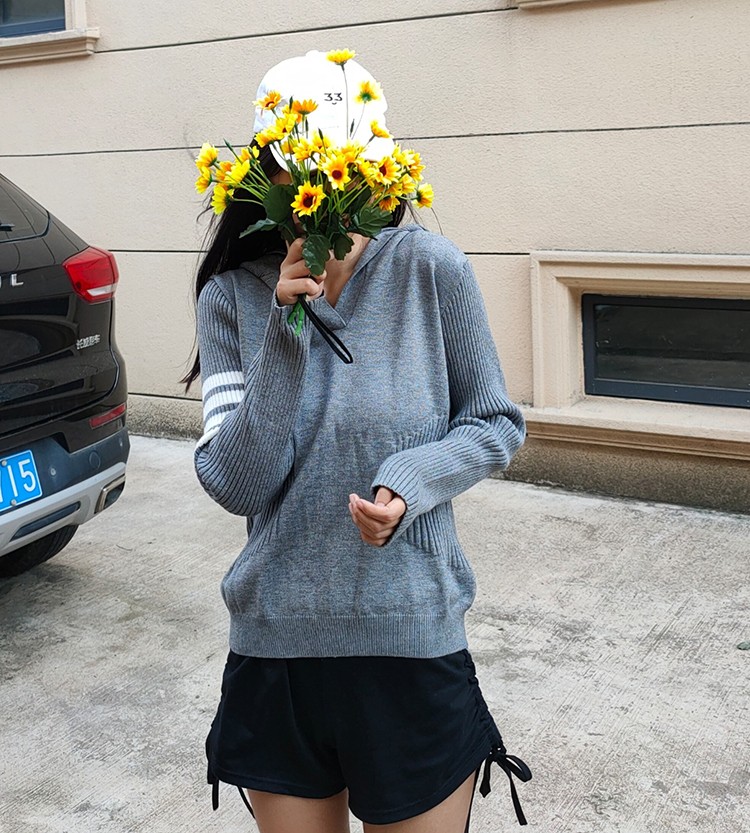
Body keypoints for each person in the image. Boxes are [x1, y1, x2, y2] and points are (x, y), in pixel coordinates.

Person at [182, 50, 531, 833]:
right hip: (277, 650)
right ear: (267, 177)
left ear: (378, 174)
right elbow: (235, 481)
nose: (330, 193)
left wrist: (411, 479)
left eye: (348, 171)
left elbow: (494, 421)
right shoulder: (231, 296)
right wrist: (285, 327)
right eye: (308, 174)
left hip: (411, 641)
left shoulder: (433, 271)